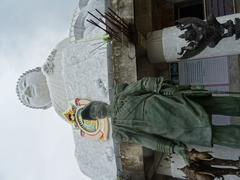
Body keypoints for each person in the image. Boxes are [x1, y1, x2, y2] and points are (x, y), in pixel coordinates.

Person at [80, 77, 240, 163]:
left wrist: (163, 87)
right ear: (99, 118)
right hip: (173, 128)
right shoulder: (120, 129)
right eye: (94, 115)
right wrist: (171, 148)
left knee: (221, 104)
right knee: (217, 135)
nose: (96, 111)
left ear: (98, 102)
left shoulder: (122, 96)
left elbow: (143, 85)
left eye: (93, 107)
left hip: (174, 103)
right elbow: (146, 139)